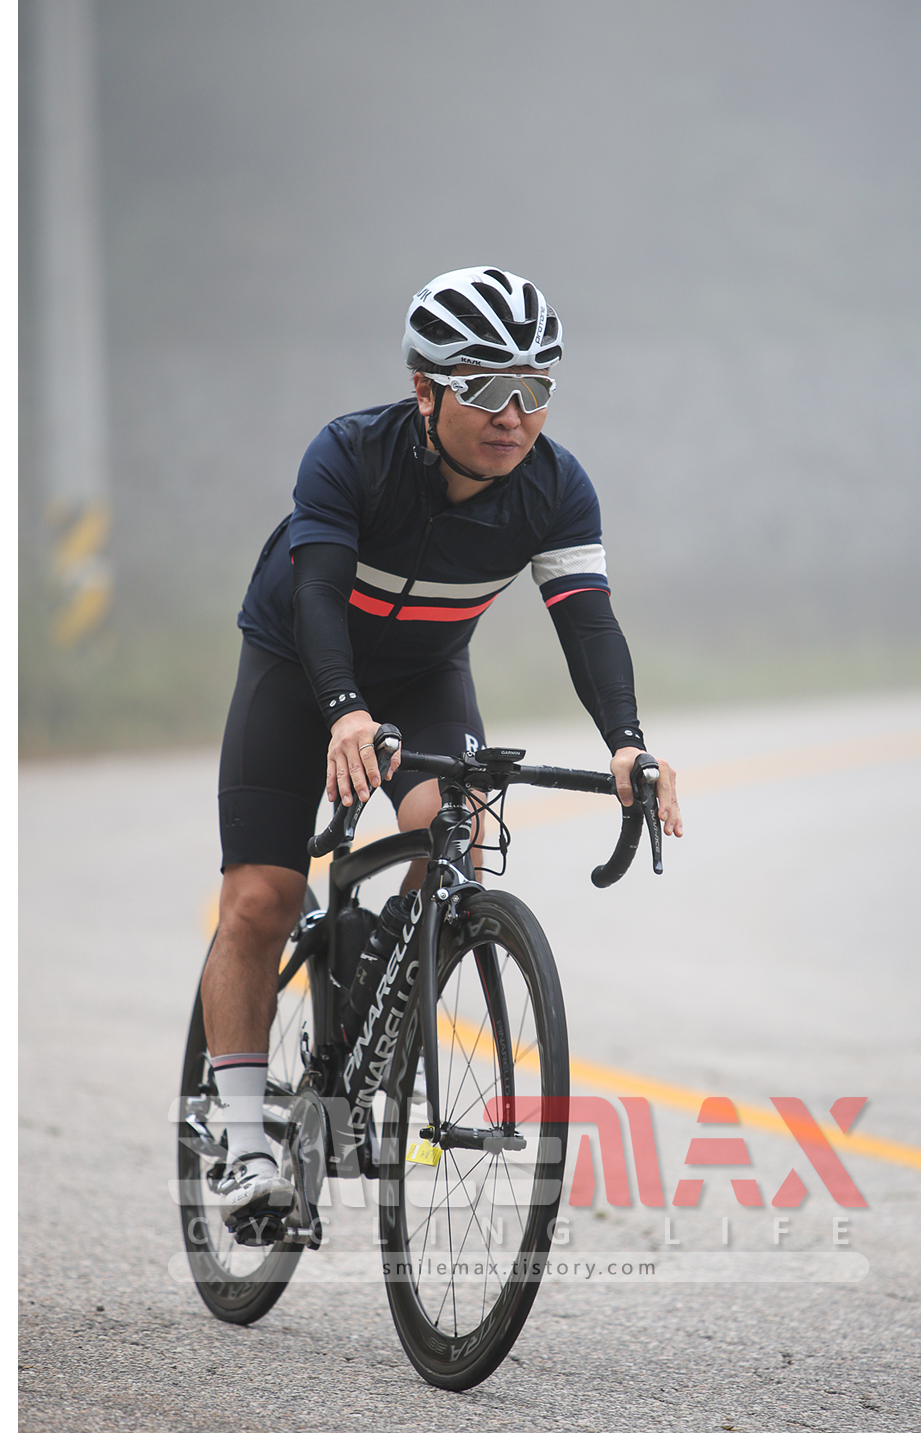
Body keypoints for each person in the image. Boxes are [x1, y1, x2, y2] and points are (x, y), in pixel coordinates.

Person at [203, 266, 683, 1217]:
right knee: (263, 897)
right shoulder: (350, 455)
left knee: (454, 836)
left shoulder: (556, 488)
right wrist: (343, 709)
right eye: (486, 387)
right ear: (425, 389)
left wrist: (628, 742)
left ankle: (375, 1009)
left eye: (534, 388)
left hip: (424, 674)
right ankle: (243, 1137)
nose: (513, 414)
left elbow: (588, 622)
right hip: (301, 668)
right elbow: (316, 594)